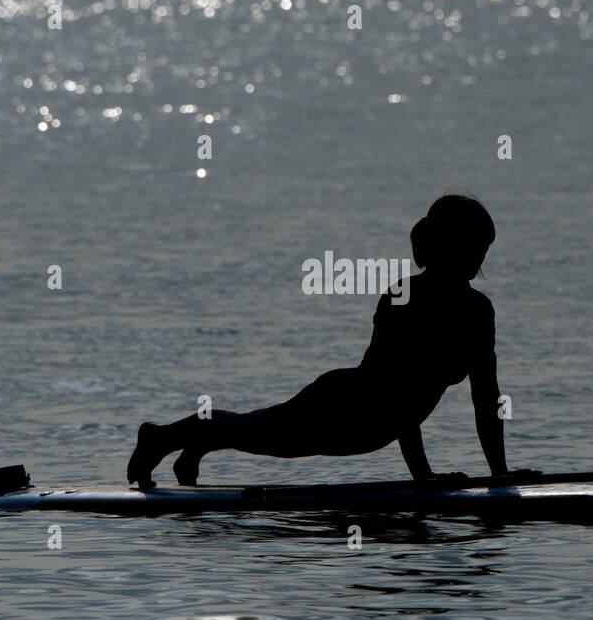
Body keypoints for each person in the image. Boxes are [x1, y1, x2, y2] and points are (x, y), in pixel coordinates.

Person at [127, 193, 515, 488]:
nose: (480, 257)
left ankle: (195, 445)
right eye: (475, 246)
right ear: (448, 246)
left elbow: (486, 397)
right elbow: (393, 391)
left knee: (254, 431)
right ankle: (161, 437)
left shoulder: (479, 310)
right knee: (260, 435)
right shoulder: (404, 297)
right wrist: (425, 477)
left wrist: (500, 474)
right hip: (343, 407)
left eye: (485, 249)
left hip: (375, 427)